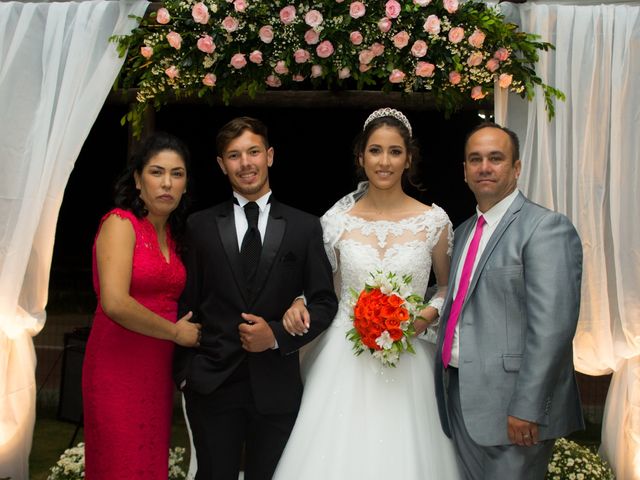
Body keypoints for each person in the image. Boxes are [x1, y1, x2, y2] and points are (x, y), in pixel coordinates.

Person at [272, 108, 461, 478]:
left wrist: (425, 317)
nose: (384, 161)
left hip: (408, 357)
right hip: (345, 355)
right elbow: (322, 288)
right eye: (375, 151)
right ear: (361, 157)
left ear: (409, 158)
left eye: (394, 151)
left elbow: (446, 285)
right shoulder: (335, 222)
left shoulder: (434, 222)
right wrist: (298, 302)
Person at [174, 117, 338, 480]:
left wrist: (277, 335)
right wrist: (186, 373)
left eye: (253, 152)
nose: (245, 163)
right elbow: (186, 304)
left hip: (276, 388)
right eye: (234, 155)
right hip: (213, 386)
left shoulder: (304, 227)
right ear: (221, 164)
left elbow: (325, 302)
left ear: (270, 156)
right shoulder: (200, 226)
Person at [434, 123, 584, 479]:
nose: (484, 167)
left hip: (514, 408)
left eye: (496, 158)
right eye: (476, 159)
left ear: (516, 168)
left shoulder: (545, 228)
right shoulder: (464, 231)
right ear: (465, 171)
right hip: (459, 394)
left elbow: (553, 329)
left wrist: (528, 407)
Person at [82, 132, 202, 479]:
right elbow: (115, 303)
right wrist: (175, 333)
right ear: (137, 179)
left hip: (156, 371)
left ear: (185, 184)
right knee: (120, 466)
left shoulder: (177, 236)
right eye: (156, 172)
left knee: (147, 465)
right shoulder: (121, 224)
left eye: (177, 174)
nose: (167, 183)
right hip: (116, 367)